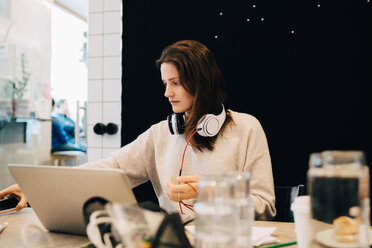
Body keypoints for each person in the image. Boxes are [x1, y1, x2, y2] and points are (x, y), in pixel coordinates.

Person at [0, 40, 276, 220]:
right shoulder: (160, 134)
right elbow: (107, 168)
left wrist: (209, 191)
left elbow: (265, 205)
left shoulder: (247, 128)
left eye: (176, 82)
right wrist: (37, 187)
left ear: (202, 82)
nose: (167, 92)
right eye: (165, 83)